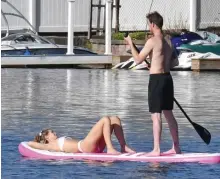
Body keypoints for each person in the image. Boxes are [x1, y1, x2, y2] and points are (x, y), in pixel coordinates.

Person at [124, 11, 181, 156]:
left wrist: (131, 44)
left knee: (156, 115)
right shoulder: (169, 40)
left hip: (156, 80)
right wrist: (159, 64)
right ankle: (176, 147)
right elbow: (175, 62)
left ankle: (156, 149)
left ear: (153, 24)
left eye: (149, 24)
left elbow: (137, 60)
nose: (149, 26)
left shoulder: (152, 41)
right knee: (169, 114)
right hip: (168, 79)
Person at [28, 116, 135, 154]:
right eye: (52, 132)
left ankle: (123, 147)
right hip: (85, 146)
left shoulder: (57, 141)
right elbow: (31, 144)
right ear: (46, 137)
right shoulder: (50, 145)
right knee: (105, 119)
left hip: (94, 147)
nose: (54, 132)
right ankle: (110, 148)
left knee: (115, 119)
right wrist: (28, 143)